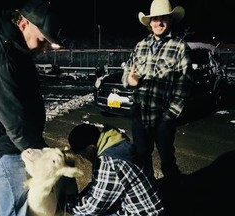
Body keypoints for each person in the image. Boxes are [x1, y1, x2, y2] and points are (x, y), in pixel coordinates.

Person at [0, 0, 62, 215]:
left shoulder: (16, 52)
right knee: (14, 210)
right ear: (24, 25)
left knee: (25, 209)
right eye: (43, 40)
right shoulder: (1, 61)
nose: (46, 47)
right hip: (2, 150)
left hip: (13, 146)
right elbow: (14, 120)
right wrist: (40, 152)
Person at [121, 0, 193, 184]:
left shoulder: (179, 47)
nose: (159, 23)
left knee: (168, 161)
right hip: (140, 115)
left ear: (170, 21)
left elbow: (184, 85)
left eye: (163, 19)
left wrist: (169, 116)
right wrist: (129, 81)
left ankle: (176, 195)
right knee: (142, 161)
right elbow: (127, 75)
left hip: (163, 117)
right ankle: (151, 199)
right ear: (149, 22)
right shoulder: (140, 46)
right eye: (155, 19)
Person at [65, 123, 165, 215]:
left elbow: (93, 208)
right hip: (149, 208)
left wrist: (65, 205)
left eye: (83, 154)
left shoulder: (109, 162)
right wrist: (77, 198)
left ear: (90, 148)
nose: (84, 158)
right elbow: (99, 185)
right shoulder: (114, 146)